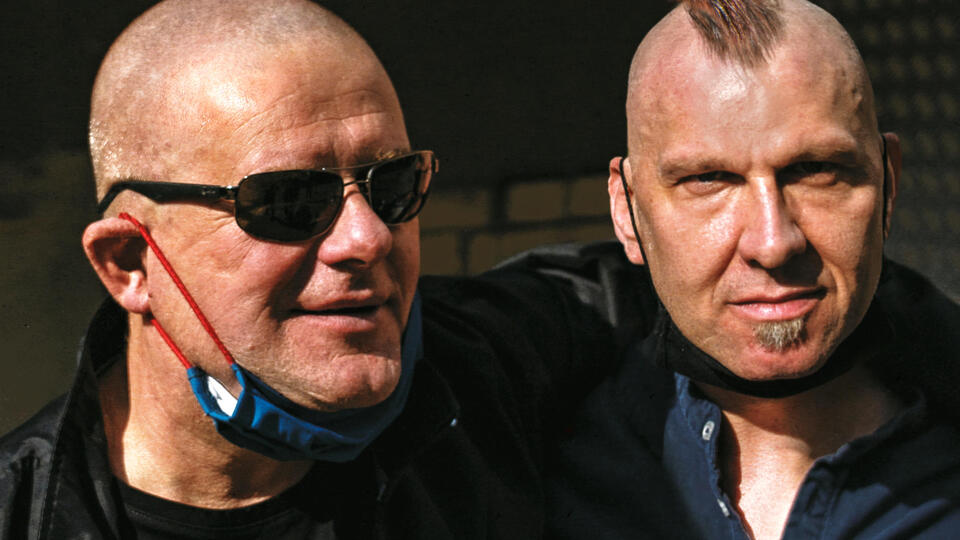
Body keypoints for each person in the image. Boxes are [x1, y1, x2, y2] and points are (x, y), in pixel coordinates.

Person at [0, 1, 643, 537]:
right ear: (130, 264)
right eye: (288, 202)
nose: (367, 238)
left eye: (393, 184)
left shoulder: (497, 366)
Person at [546, 0, 960, 538]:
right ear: (627, 210)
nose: (773, 242)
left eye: (815, 169)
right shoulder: (536, 469)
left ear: (888, 183)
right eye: (708, 179)